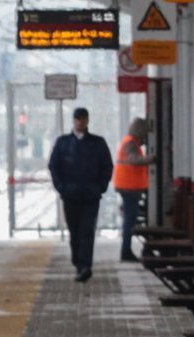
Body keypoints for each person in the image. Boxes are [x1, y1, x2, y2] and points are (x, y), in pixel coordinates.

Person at [47, 105, 114, 281]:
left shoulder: (97, 143)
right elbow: (54, 166)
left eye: (83, 118)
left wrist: (100, 187)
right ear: (73, 120)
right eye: (78, 119)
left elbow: (107, 166)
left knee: (87, 231)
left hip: (90, 195)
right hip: (70, 195)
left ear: (87, 120)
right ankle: (78, 261)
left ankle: (85, 266)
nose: (80, 122)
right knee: (74, 231)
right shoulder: (63, 143)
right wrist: (61, 187)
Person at [113, 116, 153, 263]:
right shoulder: (130, 143)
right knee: (129, 220)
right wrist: (151, 158)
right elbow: (134, 160)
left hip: (129, 186)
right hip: (128, 187)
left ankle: (127, 250)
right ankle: (126, 251)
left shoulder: (130, 142)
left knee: (130, 220)